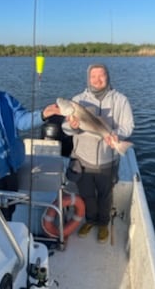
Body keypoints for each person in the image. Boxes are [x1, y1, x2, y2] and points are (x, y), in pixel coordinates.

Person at [0, 43, 60, 220]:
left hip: (10, 173)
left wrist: (43, 114)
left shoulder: (4, 98)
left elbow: (22, 120)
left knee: (8, 217)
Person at [62, 64, 134, 243]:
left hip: (107, 160)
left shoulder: (121, 100)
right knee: (86, 194)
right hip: (82, 159)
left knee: (105, 195)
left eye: (101, 76)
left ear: (108, 76)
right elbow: (65, 128)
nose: (97, 79)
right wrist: (71, 126)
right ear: (88, 78)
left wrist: (118, 135)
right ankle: (90, 220)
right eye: (93, 76)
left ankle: (103, 223)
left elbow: (128, 125)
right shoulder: (77, 101)